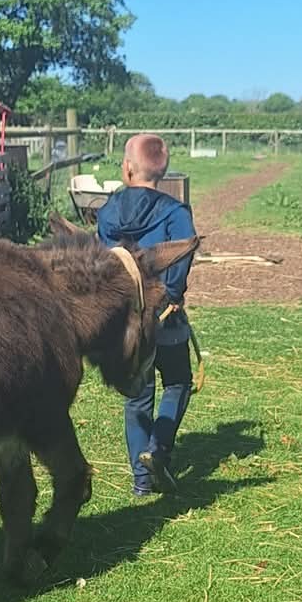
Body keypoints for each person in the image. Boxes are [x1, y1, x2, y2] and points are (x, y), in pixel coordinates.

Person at [96, 133, 197, 497]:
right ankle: (157, 449)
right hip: (165, 316)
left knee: (137, 395)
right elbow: (181, 259)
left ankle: (141, 482)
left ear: (127, 169)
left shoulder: (107, 212)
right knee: (177, 382)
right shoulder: (176, 213)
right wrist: (171, 297)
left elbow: (104, 266)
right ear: (163, 171)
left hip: (125, 320)